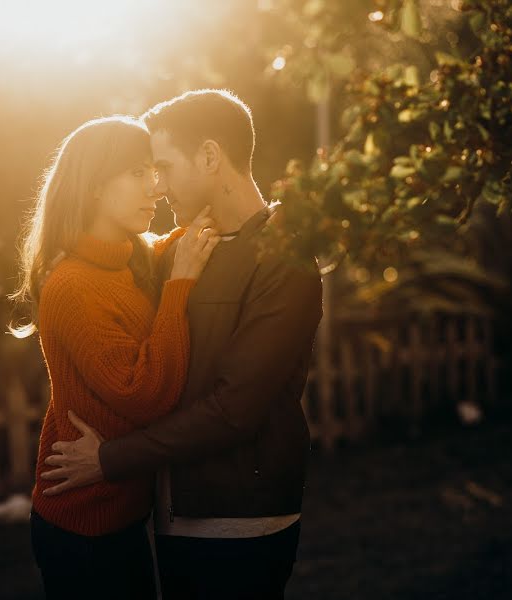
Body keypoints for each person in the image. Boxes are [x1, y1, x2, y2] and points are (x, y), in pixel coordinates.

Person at [40, 89, 324, 599]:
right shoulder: (181, 251)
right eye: (146, 172)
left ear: (210, 156)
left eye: (164, 167)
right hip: (166, 513)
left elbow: (235, 409)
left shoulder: (285, 257)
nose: (159, 186)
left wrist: (110, 459)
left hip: (238, 517)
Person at [10, 114, 220, 599]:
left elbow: (173, 243)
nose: (155, 187)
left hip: (124, 514)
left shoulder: (131, 255)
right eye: (139, 173)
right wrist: (180, 286)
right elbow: (144, 396)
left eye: (155, 172)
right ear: (95, 187)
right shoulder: (72, 286)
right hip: (83, 527)